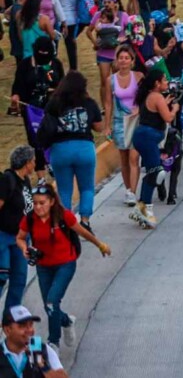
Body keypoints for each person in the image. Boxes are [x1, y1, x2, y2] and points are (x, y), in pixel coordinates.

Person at [17, 184, 110, 351]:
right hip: (43, 267)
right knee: (48, 306)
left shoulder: (63, 216)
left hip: (65, 264)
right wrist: (24, 248)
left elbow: (83, 232)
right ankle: (67, 321)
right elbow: (20, 238)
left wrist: (100, 245)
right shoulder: (30, 218)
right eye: (36, 203)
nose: (38, 207)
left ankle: (54, 342)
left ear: (52, 201)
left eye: (42, 203)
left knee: (52, 302)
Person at [44, 72, 104, 231]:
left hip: (60, 149)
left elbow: (47, 124)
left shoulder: (54, 103)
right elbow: (99, 128)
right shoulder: (89, 103)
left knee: (64, 189)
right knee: (87, 188)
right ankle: (85, 221)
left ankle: (66, 222)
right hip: (84, 148)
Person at [129, 70, 178, 228]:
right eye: (164, 80)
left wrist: (166, 100)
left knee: (152, 172)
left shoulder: (151, 96)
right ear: (157, 83)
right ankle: (145, 212)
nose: (166, 83)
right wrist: (175, 108)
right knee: (157, 172)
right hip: (147, 138)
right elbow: (168, 118)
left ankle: (141, 208)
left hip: (144, 137)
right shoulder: (156, 97)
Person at [11, 37, 64, 182]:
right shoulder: (25, 65)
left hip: (52, 109)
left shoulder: (56, 64)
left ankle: (53, 162)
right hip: (31, 111)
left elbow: (62, 84)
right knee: (36, 141)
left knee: (54, 137)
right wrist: (16, 96)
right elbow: (17, 86)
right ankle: (41, 175)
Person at [0, 146, 35, 311]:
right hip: (4, 237)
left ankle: (10, 320)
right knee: (2, 275)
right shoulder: (8, 179)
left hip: (21, 238)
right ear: (27, 163)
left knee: (19, 279)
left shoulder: (25, 181)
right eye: (33, 161)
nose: (35, 164)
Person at [108, 46, 142, 207]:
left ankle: (133, 192)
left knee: (133, 158)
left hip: (135, 121)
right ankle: (128, 188)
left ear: (132, 61)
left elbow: (146, 96)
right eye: (120, 57)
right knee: (124, 159)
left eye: (126, 58)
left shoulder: (138, 76)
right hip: (119, 121)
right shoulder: (110, 80)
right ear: (116, 60)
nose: (123, 61)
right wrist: (107, 125)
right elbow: (108, 104)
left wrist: (139, 108)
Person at [85, 0, 128, 113]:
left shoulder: (123, 15)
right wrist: (95, 43)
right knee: (104, 80)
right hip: (103, 54)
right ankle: (105, 107)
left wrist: (123, 42)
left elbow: (129, 32)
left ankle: (118, 105)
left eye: (109, 2)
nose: (107, 5)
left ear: (116, 3)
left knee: (118, 81)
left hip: (118, 55)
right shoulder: (99, 15)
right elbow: (89, 31)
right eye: (105, 3)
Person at [1, 305, 67, 376]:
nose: (30, 330)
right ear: (7, 330)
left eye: (31, 325)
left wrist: (42, 365)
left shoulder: (43, 349)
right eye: (22, 326)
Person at [52, 0, 82, 72]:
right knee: (71, 46)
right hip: (74, 19)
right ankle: (73, 69)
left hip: (60, 20)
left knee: (54, 45)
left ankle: (53, 67)